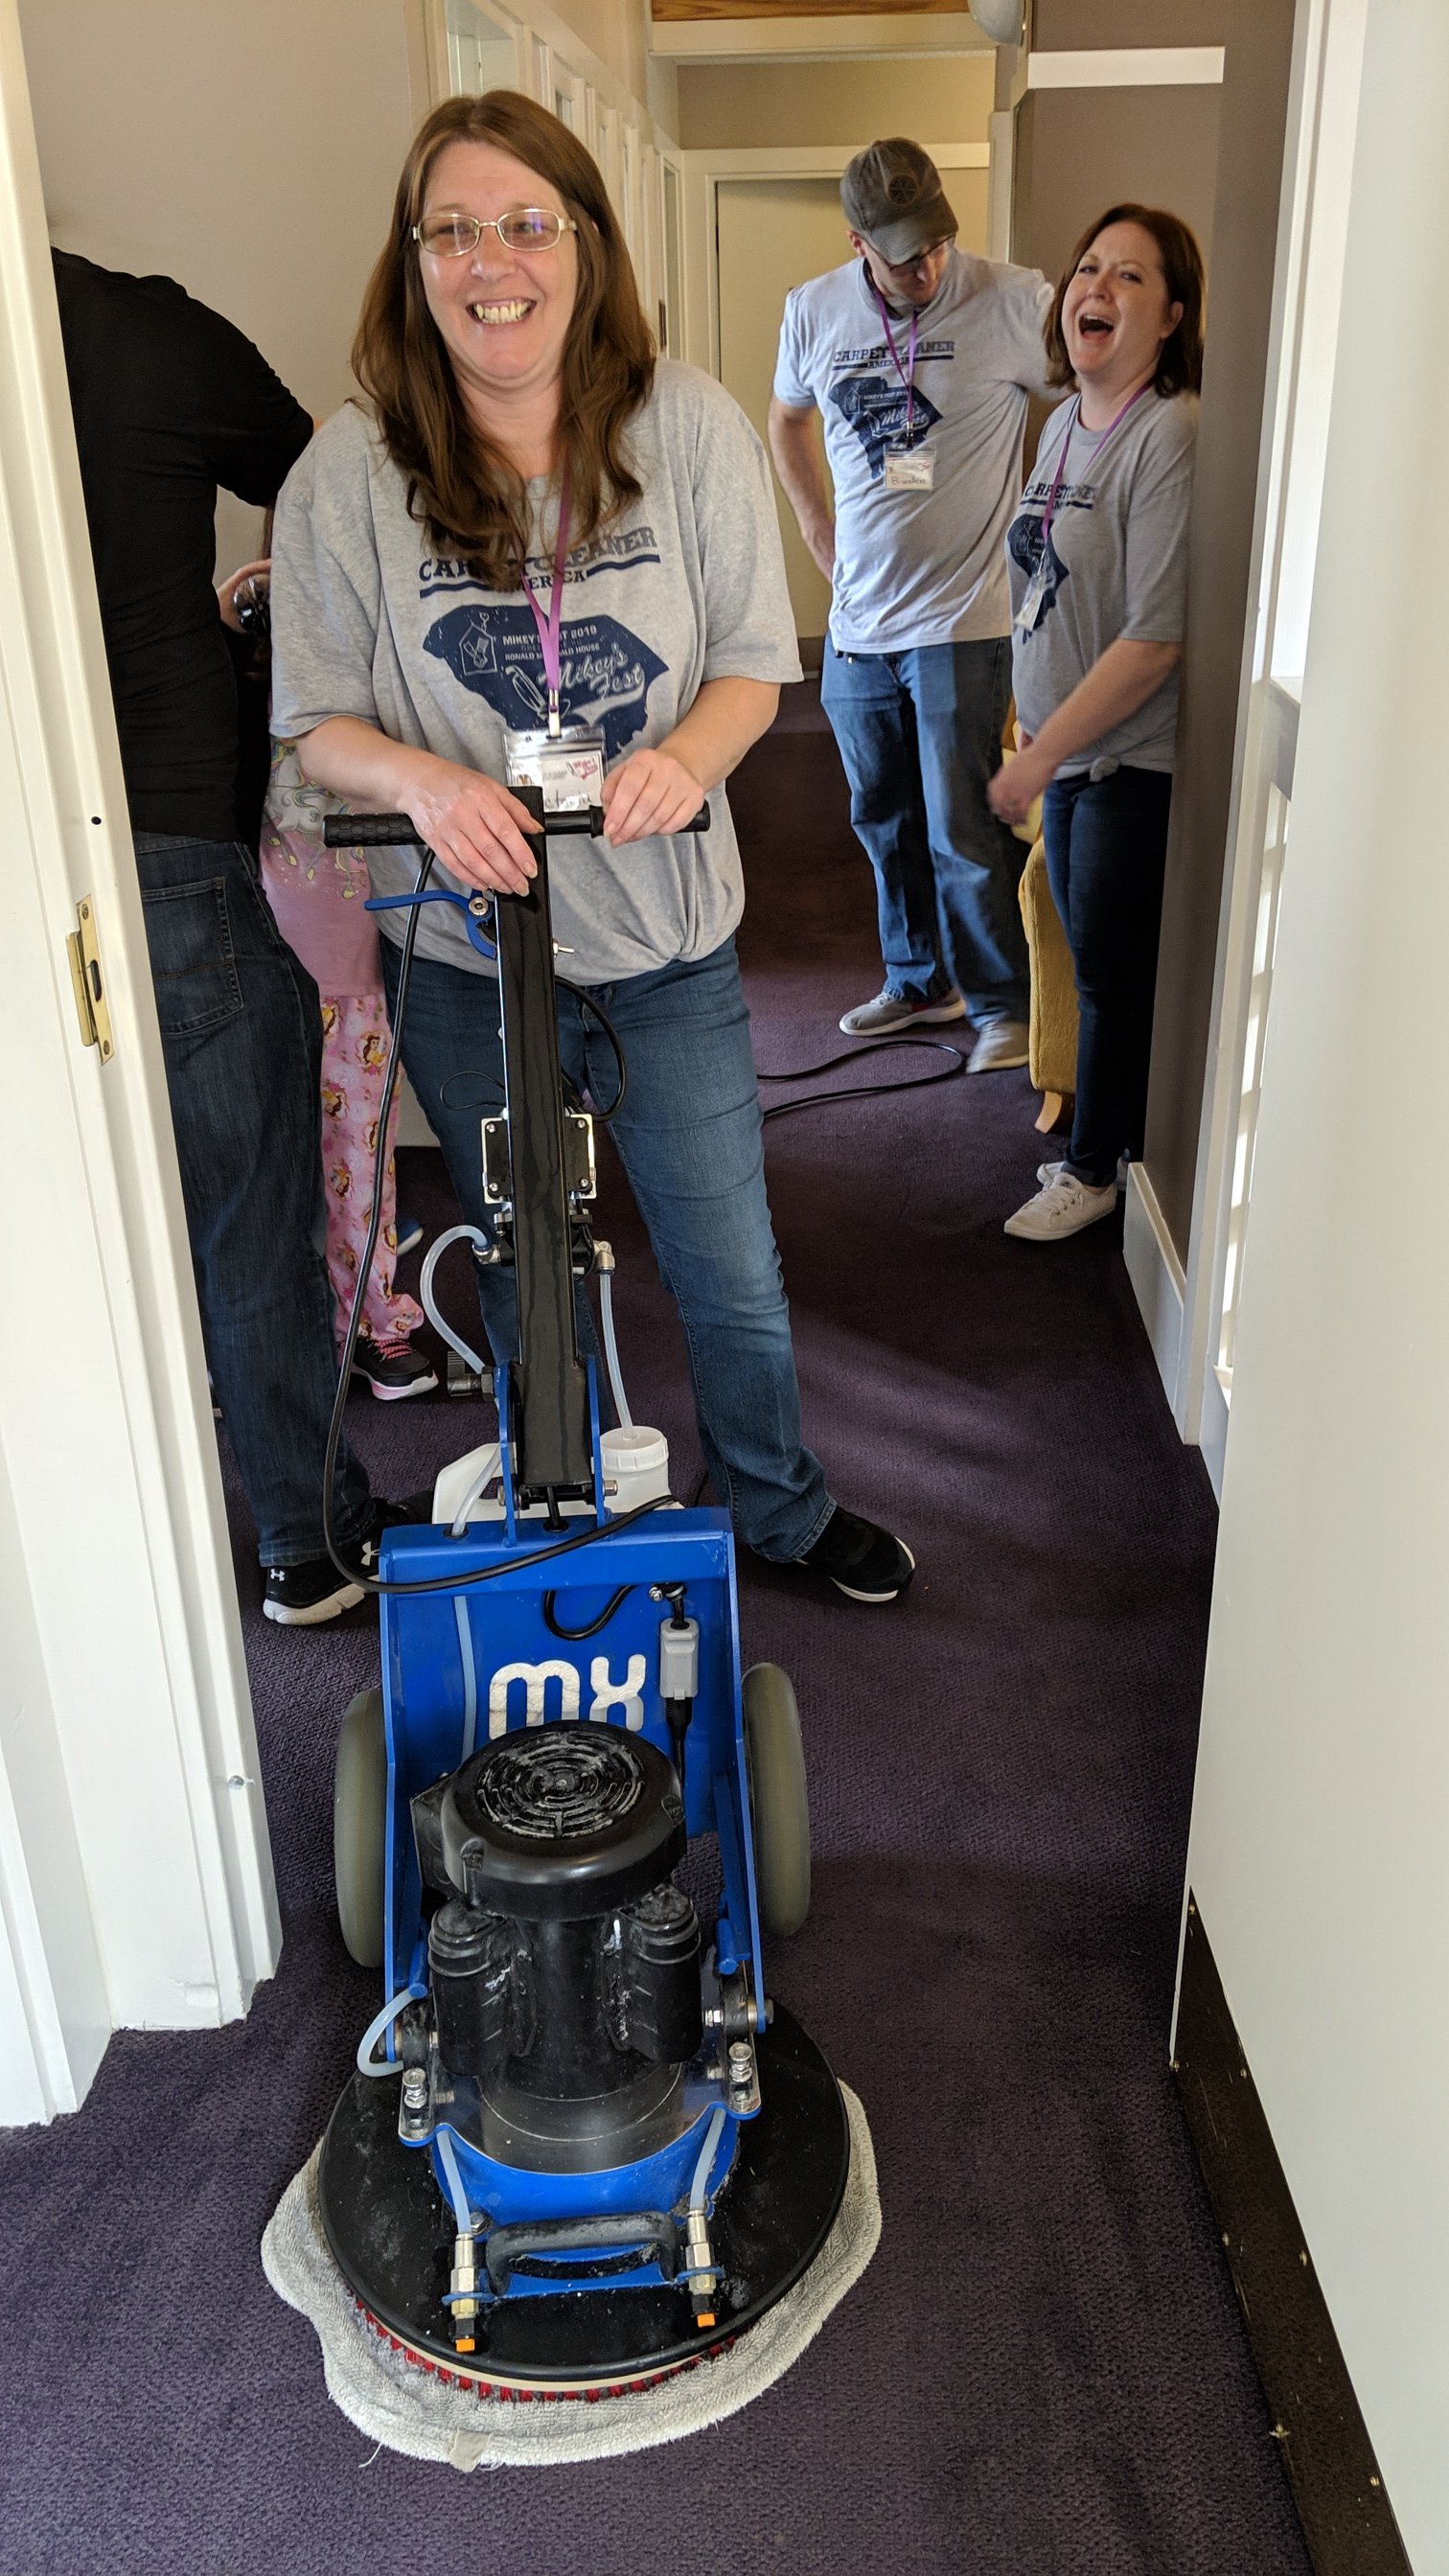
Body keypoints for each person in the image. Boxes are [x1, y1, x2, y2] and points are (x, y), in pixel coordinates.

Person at [267, 91, 913, 1605]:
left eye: (525, 224)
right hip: (464, 953)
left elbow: (753, 660)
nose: (491, 261)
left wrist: (686, 761)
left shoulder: (682, 424)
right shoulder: (350, 470)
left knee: (727, 1262)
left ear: (586, 245)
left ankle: (775, 1503)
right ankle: (548, 1510)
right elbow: (316, 720)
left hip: (665, 941)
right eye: (453, 230)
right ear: (414, 260)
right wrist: (428, 785)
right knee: (523, 1257)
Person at [51, 250, 402, 1622]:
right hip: (170, 844)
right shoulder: (145, 330)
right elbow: (317, 476)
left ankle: (89, 1576)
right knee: (248, 1214)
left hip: (38, 854)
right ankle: (305, 1543)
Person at [768, 138, 1053, 1068]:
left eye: (934, 244)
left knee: (962, 824)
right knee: (880, 816)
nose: (923, 267)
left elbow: (1092, 396)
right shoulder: (813, 311)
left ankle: (1003, 1007)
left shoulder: (1015, 300)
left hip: (965, 619)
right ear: (858, 244)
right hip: (857, 625)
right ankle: (920, 980)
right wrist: (815, 527)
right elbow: (786, 417)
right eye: (900, 255)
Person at [988, 204, 1204, 1241]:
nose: (1098, 288)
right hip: (1069, 754)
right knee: (1089, 959)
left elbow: (1155, 638)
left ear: (1171, 314)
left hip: (1126, 763)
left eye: (1129, 275)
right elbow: (1046, 592)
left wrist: (1048, 753)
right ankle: (1102, 1144)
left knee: (1115, 978)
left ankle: (1097, 1170)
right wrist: (1032, 726)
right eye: (1087, 269)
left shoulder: (1170, 434)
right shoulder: (1066, 423)